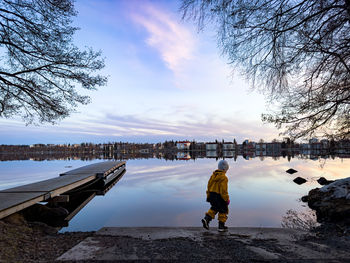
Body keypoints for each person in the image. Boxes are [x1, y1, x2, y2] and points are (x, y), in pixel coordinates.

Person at [201, 159, 230, 232]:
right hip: (219, 196)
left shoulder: (213, 176)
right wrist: (226, 199)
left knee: (214, 208)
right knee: (223, 210)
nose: (226, 171)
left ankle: (206, 219)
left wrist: (208, 195)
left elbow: (209, 186)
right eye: (226, 170)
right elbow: (223, 190)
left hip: (212, 195)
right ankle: (221, 226)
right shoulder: (224, 178)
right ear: (224, 169)